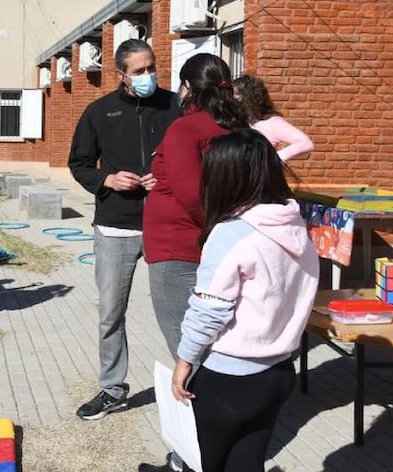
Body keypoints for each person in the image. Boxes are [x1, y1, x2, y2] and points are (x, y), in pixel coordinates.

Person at [167, 129, 319, 472]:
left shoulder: (232, 233)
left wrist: (184, 361)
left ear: (225, 178)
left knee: (199, 461)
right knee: (247, 462)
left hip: (230, 377)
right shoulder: (296, 225)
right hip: (279, 371)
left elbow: (209, 309)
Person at [142, 53, 247, 472]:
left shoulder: (186, 127)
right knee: (213, 349)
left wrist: (219, 234)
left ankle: (193, 457)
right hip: (212, 248)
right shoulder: (237, 128)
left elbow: (191, 196)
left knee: (189, 357)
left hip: (179, 250)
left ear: (188, 87)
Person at [67, 39, 178, 420]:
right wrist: (108, 179)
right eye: (139, 71)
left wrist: (165, 179)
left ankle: (193, 383)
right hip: (117, 227)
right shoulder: (100, 112)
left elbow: (196, 158)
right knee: (111, 313)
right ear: (120, 75)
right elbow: (79, 163)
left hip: (168, 225)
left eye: (152, 68)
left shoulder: (174, 106)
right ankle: (112, 389)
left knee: (179, 312)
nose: (148, 76)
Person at [232, 74, 314, 162]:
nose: (233, 98)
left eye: (237, 94)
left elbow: (305, 143)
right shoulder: (237, 121)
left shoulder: (271, 123)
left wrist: (272, 160)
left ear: (249, 98)